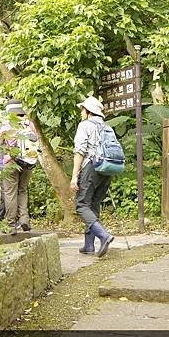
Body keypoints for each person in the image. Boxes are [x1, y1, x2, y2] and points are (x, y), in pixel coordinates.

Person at [71, 96, 114, 257]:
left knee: (82, 205)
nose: (81, 112)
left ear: (88, 111)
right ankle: (89, 245)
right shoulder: (106, 127)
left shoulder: (85, 125)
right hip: (107, 168)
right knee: (93, 205)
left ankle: (103, 236)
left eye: (82, 109)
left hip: (91, 167)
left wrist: (74, 176)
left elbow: (80, 151)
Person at [0, 100, 39, 235]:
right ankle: (24, 219)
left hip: (10, 163)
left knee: (9, 192)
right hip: (28, 162)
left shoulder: (5, 126)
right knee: (23, 190)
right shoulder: (29, 124)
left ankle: (11, 225)